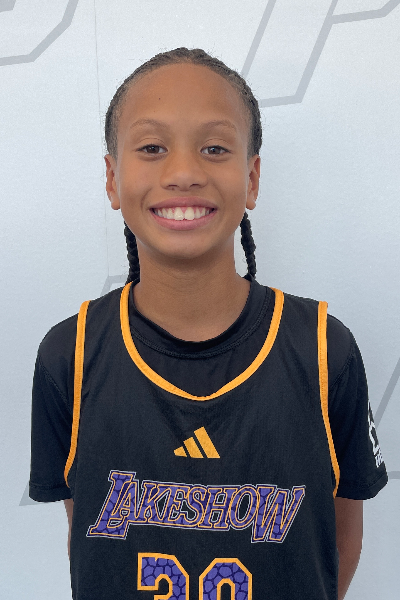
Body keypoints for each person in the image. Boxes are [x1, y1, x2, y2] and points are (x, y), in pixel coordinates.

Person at [29, 47, 388, 600]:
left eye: (214, 148)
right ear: (112, 177)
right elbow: (89, 538)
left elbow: (339, 539)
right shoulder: (69, 355)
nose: (184, 173)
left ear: (252, 177)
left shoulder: (323, 349)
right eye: (152, 147)